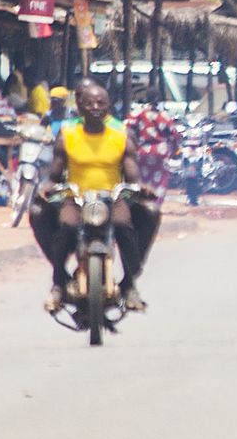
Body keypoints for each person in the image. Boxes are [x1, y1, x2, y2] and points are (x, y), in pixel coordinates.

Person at [30, 80, 163, 312]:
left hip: (112, 197)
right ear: (80, 107)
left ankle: (130, 285)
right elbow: (54, 174)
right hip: (76, 197)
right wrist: (47, 187)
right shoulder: (67, 135)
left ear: (108, 107)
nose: (95, 107)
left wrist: (140, 187)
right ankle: (59, 282)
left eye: (101, 103)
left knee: (124, 225)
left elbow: (132, 174)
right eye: (89, 103)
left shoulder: (121, 134)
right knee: (67, 226)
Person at [123, 83, 178, 194]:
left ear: (146, 97)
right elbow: (174, 136)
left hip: (142, 151)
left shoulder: (139, 112)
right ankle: (155, 204)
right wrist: (173, 152)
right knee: (160, 181)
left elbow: (125, 128)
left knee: (142, 180)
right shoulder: (164, 115)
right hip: (160, 152)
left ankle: (142, 204)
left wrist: (132, 145)